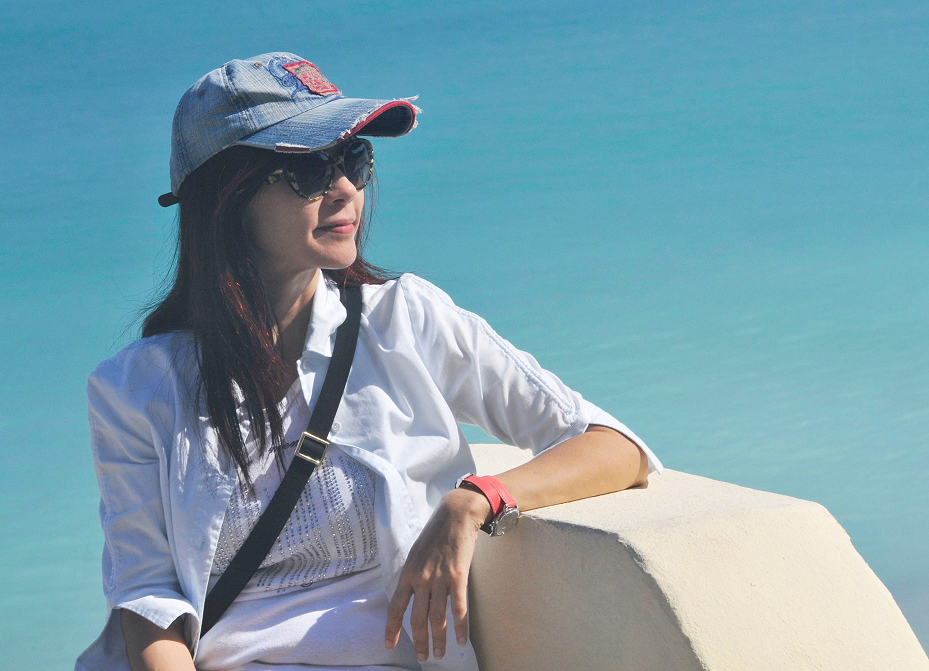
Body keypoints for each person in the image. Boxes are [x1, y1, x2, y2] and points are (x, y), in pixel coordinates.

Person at [75, 52, 664, 671]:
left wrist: (475, 499)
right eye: (309, 169)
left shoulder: (407, 320)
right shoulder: (134, 389)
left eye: (353, 160)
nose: (346, 189)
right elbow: (150, 601)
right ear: (229, 197)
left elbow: (615, 447)